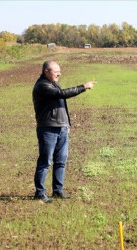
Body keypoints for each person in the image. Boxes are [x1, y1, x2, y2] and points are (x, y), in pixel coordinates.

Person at [32, 60, 95, 203]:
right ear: (46, 72)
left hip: (61, 128)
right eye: (56, 71)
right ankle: (40, 193)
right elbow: (62, 94)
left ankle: (57, 191)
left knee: (61, 161)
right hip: (48, 128)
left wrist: (67, 125)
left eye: (59, 71)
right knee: (45, 161)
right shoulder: (42, 86)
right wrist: (83, 87)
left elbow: (62, 104)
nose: (59, 74)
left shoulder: (53, 83)